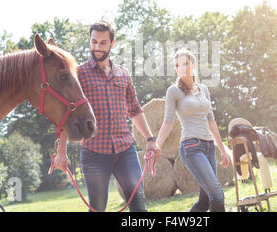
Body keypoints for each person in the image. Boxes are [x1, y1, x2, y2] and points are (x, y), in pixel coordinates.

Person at [54, 20, 160, 212]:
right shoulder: (78, 75)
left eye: (102, 43)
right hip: (94, 152)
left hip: (125, 150)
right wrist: (61, 152)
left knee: (139, 205)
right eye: (94, 42)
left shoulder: (123, 74)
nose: (97, 47)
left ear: (112, 44)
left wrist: (150, 139)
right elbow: (65, 114)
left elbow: (134, 110)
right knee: (98, 208)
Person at [156, 48, 230, 212]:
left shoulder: (203, 89)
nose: (181, 68)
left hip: (209, 146)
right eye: (177, 65)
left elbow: (211, 121)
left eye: (185, 63)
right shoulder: (173, 91)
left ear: (194, 64)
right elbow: (168, 122)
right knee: (217, 195)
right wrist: (157, 146)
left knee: (204, 201)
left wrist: (223, 151)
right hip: (191, 147)